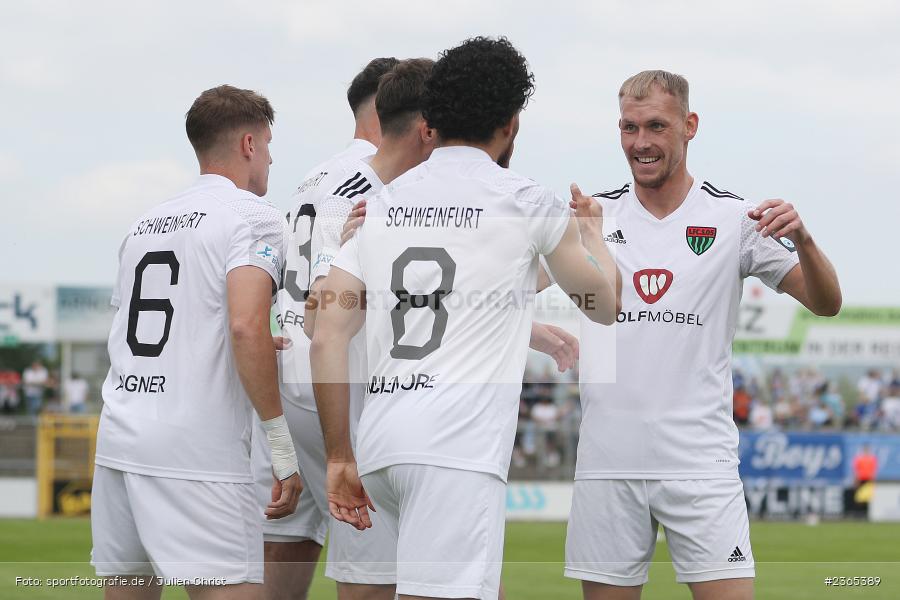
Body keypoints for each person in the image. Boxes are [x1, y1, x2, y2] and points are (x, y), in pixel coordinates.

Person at [311, 36, 619, 600]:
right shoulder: (525, 199)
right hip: (454, 449)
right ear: (511, 122)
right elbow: (604, 307)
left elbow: (327, 334)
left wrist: (338, 455)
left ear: (435, 117)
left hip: (379, 445)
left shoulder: (377, 204)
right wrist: (594, 234)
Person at [565, 70, 842, 600]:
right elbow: (499, 276)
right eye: (628, 127)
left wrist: (804, 239)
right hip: (607, 462)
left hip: (700, 464)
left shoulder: (734, 217)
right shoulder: (591, 215)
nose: (640, 142)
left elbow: (826, 303)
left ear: (689, 126)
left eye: (655, 126)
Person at [91, 84, 302, 600]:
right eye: (269, 145)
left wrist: (243, 343)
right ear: (249, 144)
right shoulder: (254, 216)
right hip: (196, 452)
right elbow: (245, 325)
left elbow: (159, 326)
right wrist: (281, 447)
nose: (271, 158)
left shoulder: (143, 224)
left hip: (120, 438)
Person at [249, 56, 399, 600]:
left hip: (285, 379)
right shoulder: (379, 180)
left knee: (284, 547)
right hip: (339, 380)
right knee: (372, 567)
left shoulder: (312, 178)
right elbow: (334, 294)